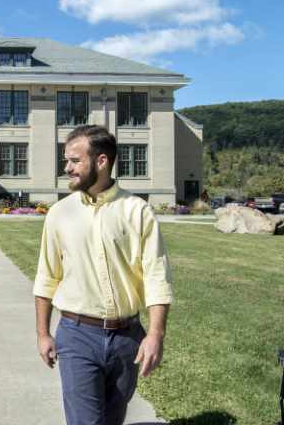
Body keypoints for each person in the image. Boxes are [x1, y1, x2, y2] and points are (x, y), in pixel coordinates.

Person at [33, 125, 173, 425]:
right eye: (66, 161)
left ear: (101, 161)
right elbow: (47, 277)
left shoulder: (138, 211)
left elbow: (156, 277)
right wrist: (43, 333)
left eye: (74, 161)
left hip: (127, 339)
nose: (67, 168)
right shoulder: (59, 213)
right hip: (77, 335)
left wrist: (155, 335)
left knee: (112, 420)